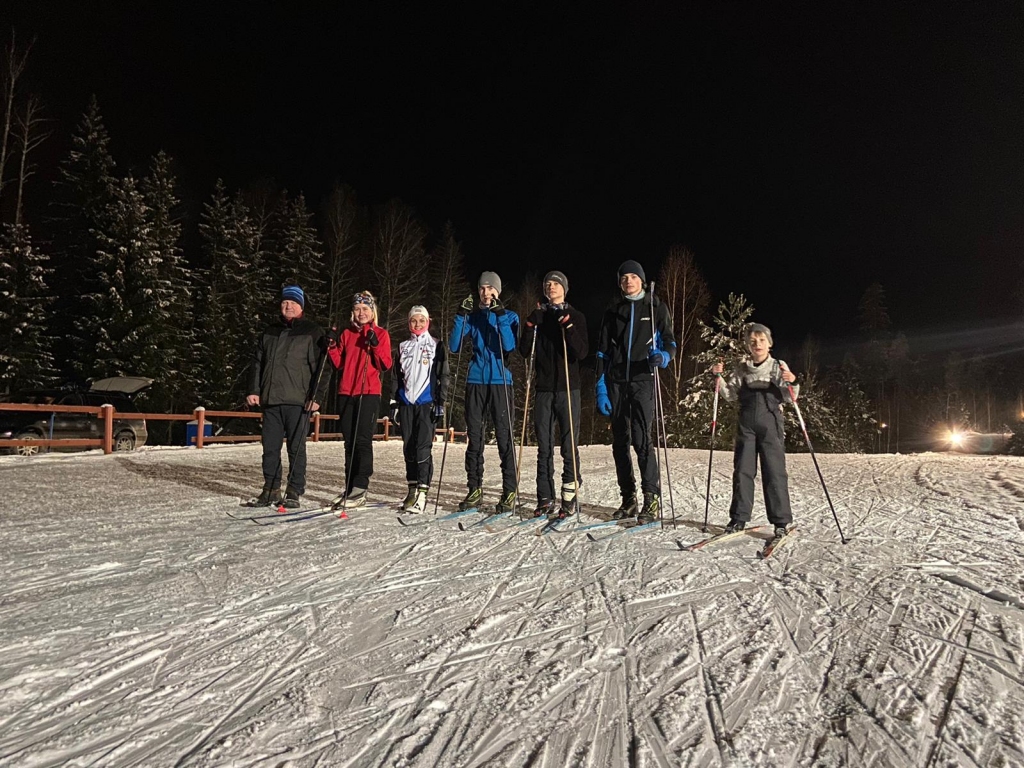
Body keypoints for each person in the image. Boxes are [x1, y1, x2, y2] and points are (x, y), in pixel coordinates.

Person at [594, 260, 677, 523]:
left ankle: (650, 499)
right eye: (623, 278)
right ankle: (628, 499)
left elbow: (671, 341)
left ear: (642, 280)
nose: (628, 281)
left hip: (643, 380)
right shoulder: (613, 310)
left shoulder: (655, 307)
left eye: (633, 277)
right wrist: (600, 387)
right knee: (620, 443)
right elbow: (602, 352)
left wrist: (664, 357)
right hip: (617, 382)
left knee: (642, 441)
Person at [711, 322, 798, 545]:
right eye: (752, 341)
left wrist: (793, 382)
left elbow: (789, 397)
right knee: (743, 470)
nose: (757, 344)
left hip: (770, 422)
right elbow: (730, 394)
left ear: (769, 343)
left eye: (761, 340)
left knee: (774, 471)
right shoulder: (742, 367)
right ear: (747, 345)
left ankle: (780, 521)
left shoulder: (777, 366)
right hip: (746, 423)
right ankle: (738, 518)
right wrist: (718, 378)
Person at [246, 284, 330, 508]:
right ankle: (271, 488)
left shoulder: (312, 331)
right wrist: (254, 390)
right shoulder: (270, 331)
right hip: (271, 399)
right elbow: (257, 363)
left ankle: (294, 490)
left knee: (296, 448)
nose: (288, 306)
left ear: (301, 306)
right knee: (270, 447)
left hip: (299, 400)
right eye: (285, 302)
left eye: (293, 302)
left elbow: (323, 367)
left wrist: (317, 396)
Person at [449, 271, 520, 513]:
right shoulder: (474, 316)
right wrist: (460, 316)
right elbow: (454, 346)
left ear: (498, 292)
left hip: (501, 381)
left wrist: (499, 315)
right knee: (475, 438)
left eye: (491, 289)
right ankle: (474, 488)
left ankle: (509, 490)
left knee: (504, 436)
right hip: (476, 380)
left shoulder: (509, 315)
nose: (486, 292)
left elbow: (509, 346)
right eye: (482, 288)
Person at [520, 270, 588, 518]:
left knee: (569, 446)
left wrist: (567, 325)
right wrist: (530, 324)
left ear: (564, 288)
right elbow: (524, 351)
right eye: (547, 284)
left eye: (556, 283)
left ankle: (569, 495)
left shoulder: (576, 316)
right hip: (544, 388)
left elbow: (581, 352)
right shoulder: (539, 317)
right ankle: (545, 498)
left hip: (569, 388)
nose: (551, 287)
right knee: (544, 446)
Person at [327, 291, 392, 508]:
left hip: (369, 392)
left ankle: (361, 487)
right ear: (352, 312)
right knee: (349, 442)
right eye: (357, 309)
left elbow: (385, 364)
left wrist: (373, 344)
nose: (361, 312)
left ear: (372, 311)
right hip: (347, 392)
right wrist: (332, 346)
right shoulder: (347, 333)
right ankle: (349, 486)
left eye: (365, 309)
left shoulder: (380, 333)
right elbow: (339, 364)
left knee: (363, 441)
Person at [391, 305, 450, 513]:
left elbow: (444, 375)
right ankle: (412, 489)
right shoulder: (402, 346)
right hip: (407, 403)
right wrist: (394, 402)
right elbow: (396, 377)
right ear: (409, 323)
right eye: (414, 321)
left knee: (423, 448)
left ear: (428, 322)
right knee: (409, 448)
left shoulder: (436, 345)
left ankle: (423, 494)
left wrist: (440, 402)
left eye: (421, 321)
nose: (417, 324)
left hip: (427, 403)